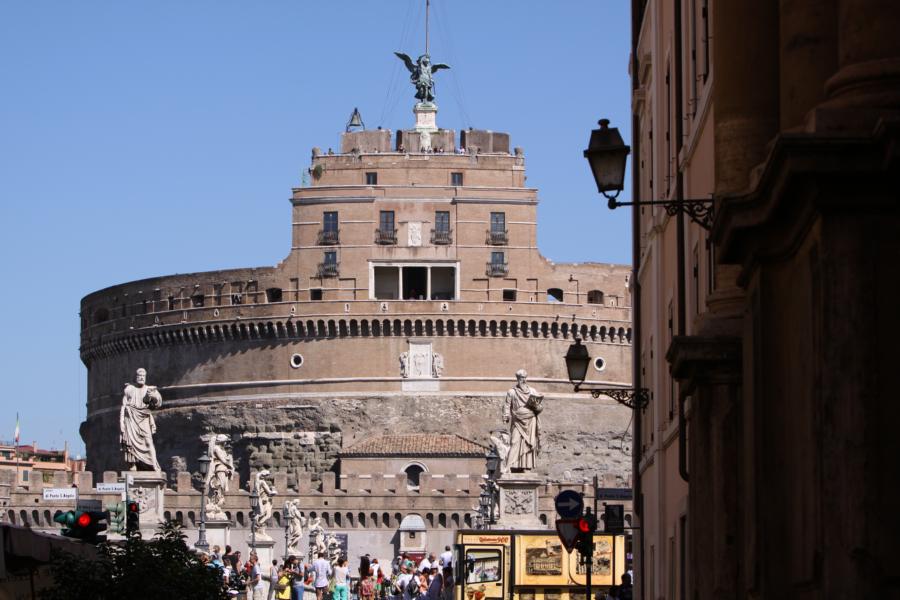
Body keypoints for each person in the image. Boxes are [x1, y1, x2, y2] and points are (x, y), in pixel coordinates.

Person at [120, 367, 162, 471]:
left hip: (143, 418)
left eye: (143, 376)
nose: (141, 378)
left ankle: (154, 464)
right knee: (131, 443)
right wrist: (121, 422)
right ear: (135, 377)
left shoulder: (150, 389)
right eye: (139, 376)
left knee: (148, 441)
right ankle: (132, 464)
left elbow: (158, 403)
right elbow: (123, 405)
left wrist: (153, 397)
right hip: (130, 418)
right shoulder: (129, 389)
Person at [503, 369, 543, 471]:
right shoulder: (511, 392)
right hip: (517, 420)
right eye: (521, 378)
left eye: (525, 378)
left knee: (528, 443)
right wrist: (506, 415)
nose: (523, 380)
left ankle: (526, 466)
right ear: (517, 379)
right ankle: (509, 466)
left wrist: (537, 406)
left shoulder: (533, 391)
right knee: (514, 441)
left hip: (530, 420)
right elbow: (507, 405)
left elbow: (540, 408)